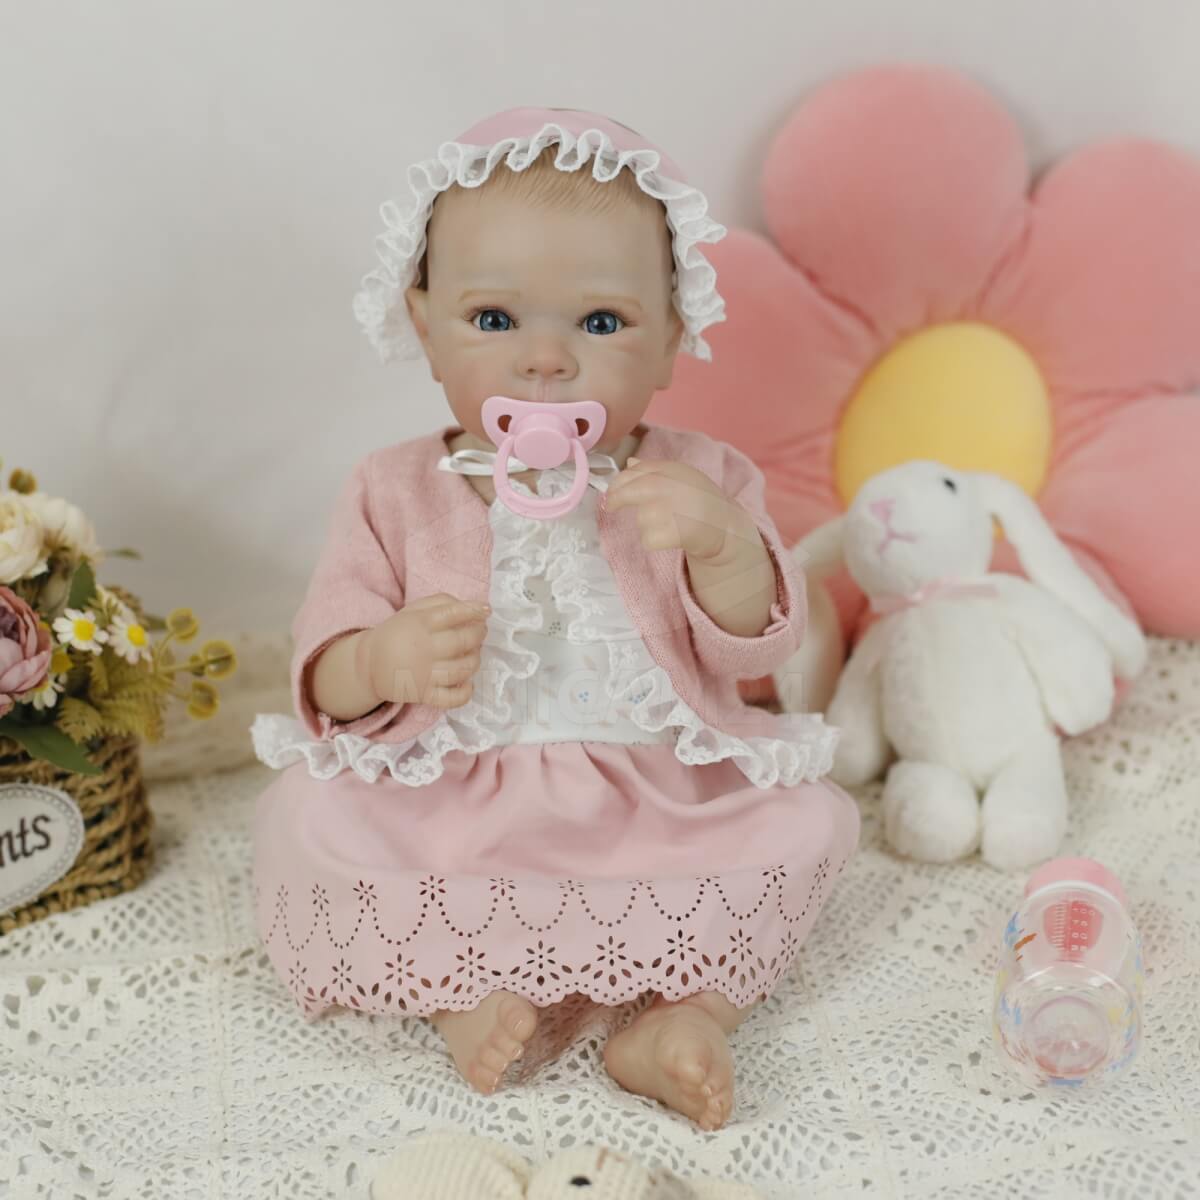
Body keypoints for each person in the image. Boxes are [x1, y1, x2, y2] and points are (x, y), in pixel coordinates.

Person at [250, 107, 859, 1131]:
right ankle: (455, 994)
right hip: (455, 799)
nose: (545, 360)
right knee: (303, 817)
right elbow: (323, 672)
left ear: (670, 343)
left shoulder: (703, 476)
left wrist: (722, 548)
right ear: (425, 326)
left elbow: (754, 651)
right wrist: (382, 660)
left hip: (654, 799)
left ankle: (679, 1017)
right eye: (494, 320)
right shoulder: (392, 488)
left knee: (812, 822)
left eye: (601, 323)